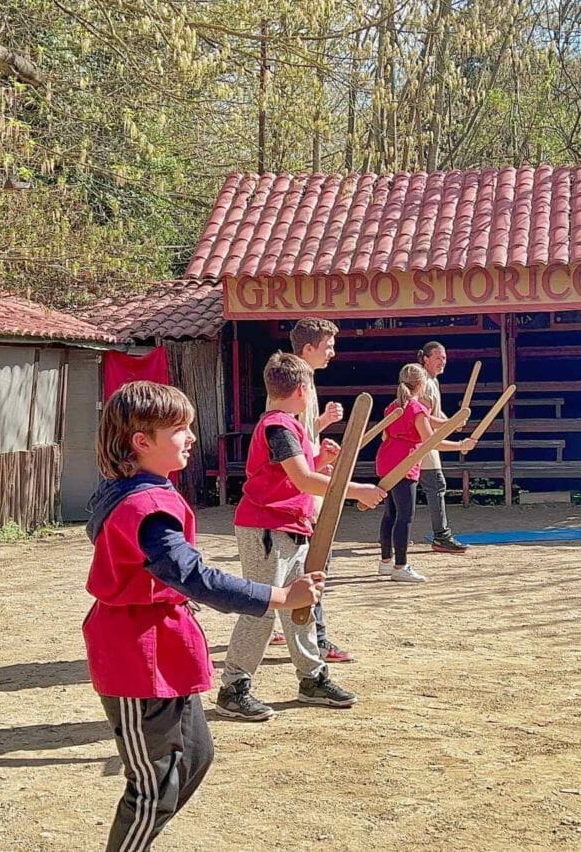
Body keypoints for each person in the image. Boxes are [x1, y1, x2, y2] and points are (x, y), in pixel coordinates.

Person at [83, 380, 325, 851]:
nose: (191, 437)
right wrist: (279, 596)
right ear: (142, 441)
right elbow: (195, 577)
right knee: (153, 787)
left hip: (164, 644)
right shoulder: (143, 507)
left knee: (194, 756)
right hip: (136, 655)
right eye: (179, 429)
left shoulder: (135, 489)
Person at [216, 352, 385, 721]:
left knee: (301, 605)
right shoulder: (277, 426)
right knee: (261, 606)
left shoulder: (288, 426)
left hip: (292, 527)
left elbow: (295, 473)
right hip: (266, 529)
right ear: (302, 389)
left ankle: (312, 677)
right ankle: (233, 687)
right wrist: (357, 490)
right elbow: (303, 480)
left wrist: (322, 458)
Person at [266, 318, 353, 662]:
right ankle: (315, 637)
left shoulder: (307, 384)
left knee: (305, 564)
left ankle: (297, 630)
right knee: (314, 564)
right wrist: (344, 484)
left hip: (305, 484)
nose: (333, 352)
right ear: (308, 349)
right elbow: (287, 446)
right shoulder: (293, 386)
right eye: (328, 346)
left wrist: (320, 436)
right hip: (298, 492)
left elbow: (299, 437)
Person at [376, 363, 476, 583]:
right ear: (421, 385)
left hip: (387, 460)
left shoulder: (394, 406)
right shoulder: (415, 409)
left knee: (391, 513)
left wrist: (452, 423)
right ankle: (400, 566)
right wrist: (460, 445)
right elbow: (431, 442)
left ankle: (385, 562)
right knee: (404, 515)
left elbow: (394, 433)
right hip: (404, 463)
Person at [417, 341, 469, 553]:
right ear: (426, 359)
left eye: (444, 358)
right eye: (437, 357)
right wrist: (449, 425)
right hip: (422, 440)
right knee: (435, 485)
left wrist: (453, 421)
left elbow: (436, 415)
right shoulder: (423, 382)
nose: (441, 362)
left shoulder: (433, 382)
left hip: (428, 439)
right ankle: (441, 536)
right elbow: (424, 416)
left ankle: (393, 533)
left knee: (404, 489)